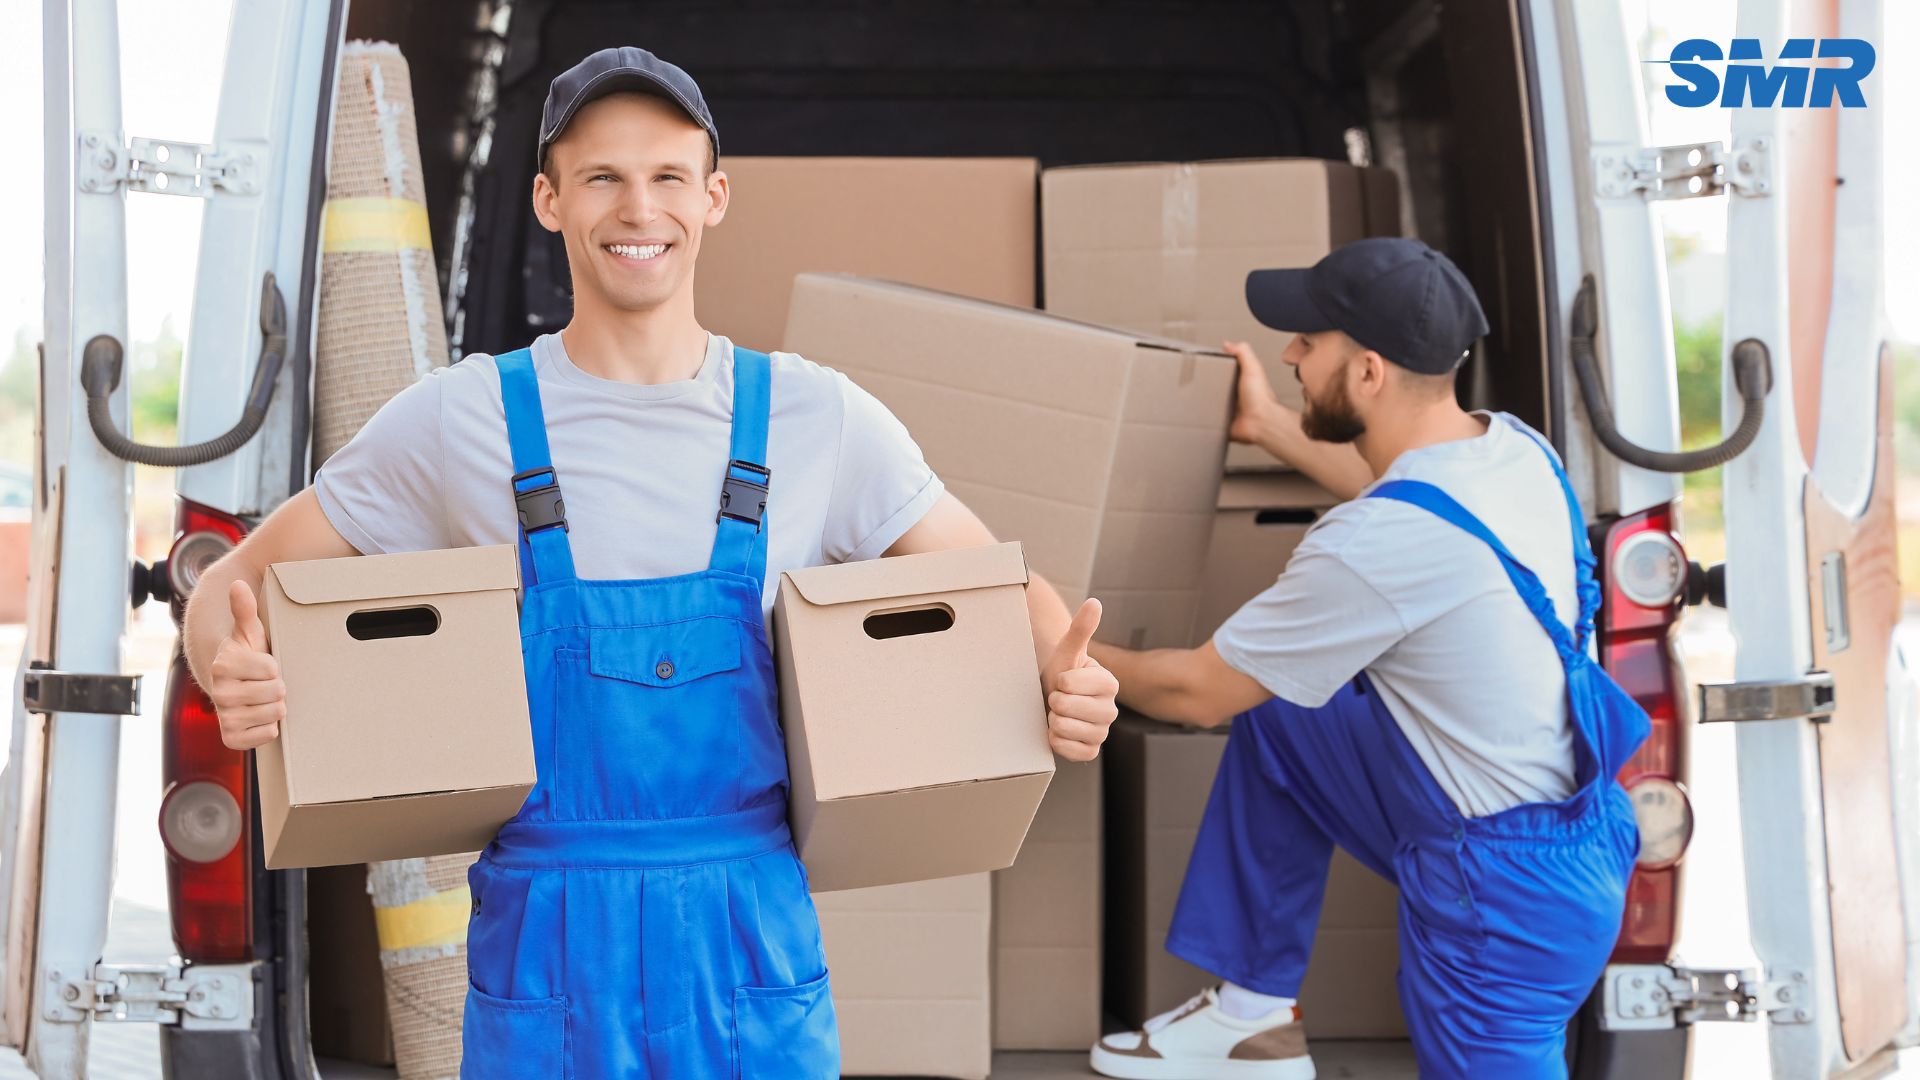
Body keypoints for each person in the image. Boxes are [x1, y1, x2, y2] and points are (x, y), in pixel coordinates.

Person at [182, 46, 1119, 1080]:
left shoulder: (816, 415)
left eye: (669, 177)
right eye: (602, 178)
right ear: (548, 200)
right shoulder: (464, 418)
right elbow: (226, 589)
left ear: (714, 197)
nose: (640, 209)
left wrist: (1067, 676)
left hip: (746, 931)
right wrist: (224, 661)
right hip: (547, 938)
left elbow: (997, 592)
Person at [1085, 238, 1647, 1080]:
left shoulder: (1380, 541)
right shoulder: (1512, 450)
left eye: (1310, 343)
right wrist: (1271, 426)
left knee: (1243, 690)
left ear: (1371, 373)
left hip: (1502, 903)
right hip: (1571, 834)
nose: (1290, 355)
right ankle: (1251, 1023)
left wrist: (1048, 630)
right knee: (1284, 711)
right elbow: (1405, 515)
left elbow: (1196, 692)